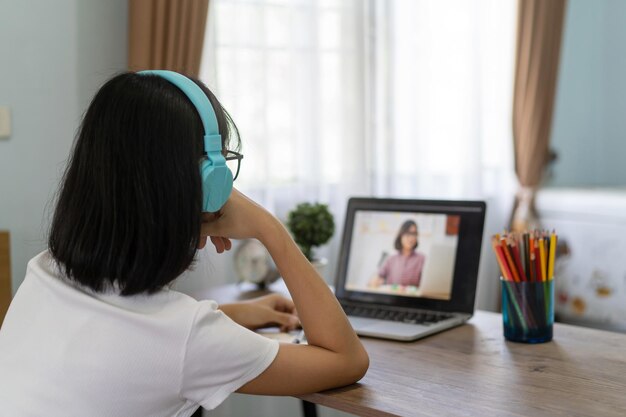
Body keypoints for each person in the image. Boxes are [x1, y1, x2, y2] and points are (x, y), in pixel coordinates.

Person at [0, 71, 368, 416]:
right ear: (208, 183)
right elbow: (347, 359)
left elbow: (141, 332)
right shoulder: (186, 339)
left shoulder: (44, 271)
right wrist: (271, 229)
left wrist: (228, 315)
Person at [370, 220, 426, 288]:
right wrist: (376, 279)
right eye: (408, 233)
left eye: (414, 234)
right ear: (401, 235)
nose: (411, 238)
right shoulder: (391, 258)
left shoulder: (422, 259)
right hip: (392, 297)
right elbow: (379, 274)